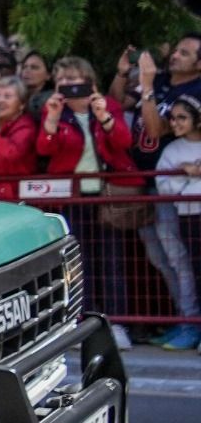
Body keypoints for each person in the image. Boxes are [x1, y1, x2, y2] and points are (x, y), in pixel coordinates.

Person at [36, 56, 139, 349]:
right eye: (64, 80)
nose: (70, 86)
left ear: (90, 81)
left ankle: (116, 323)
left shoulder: (106, 105)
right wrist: (52, 119)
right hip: (73, 197)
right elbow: (44, 148)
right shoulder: (54, 109)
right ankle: (81, 322)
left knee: (112, 261)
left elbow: (122, 142)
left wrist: (104, 115)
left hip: (106, 196)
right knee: (78, 264)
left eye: (75, 79)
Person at [153, 94, 201, 351]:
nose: (175, 123)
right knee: (192, 269)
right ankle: (191, 325)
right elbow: (164, 184)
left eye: (182, 117)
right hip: (188, 216)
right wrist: (187, 177)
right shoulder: (172, 151)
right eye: (172, 118)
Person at [0, 77, 40, 202]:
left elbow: (8, 156)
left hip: (15, 200)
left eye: (7, 96)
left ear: (21, 104)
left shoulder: (26, 126)